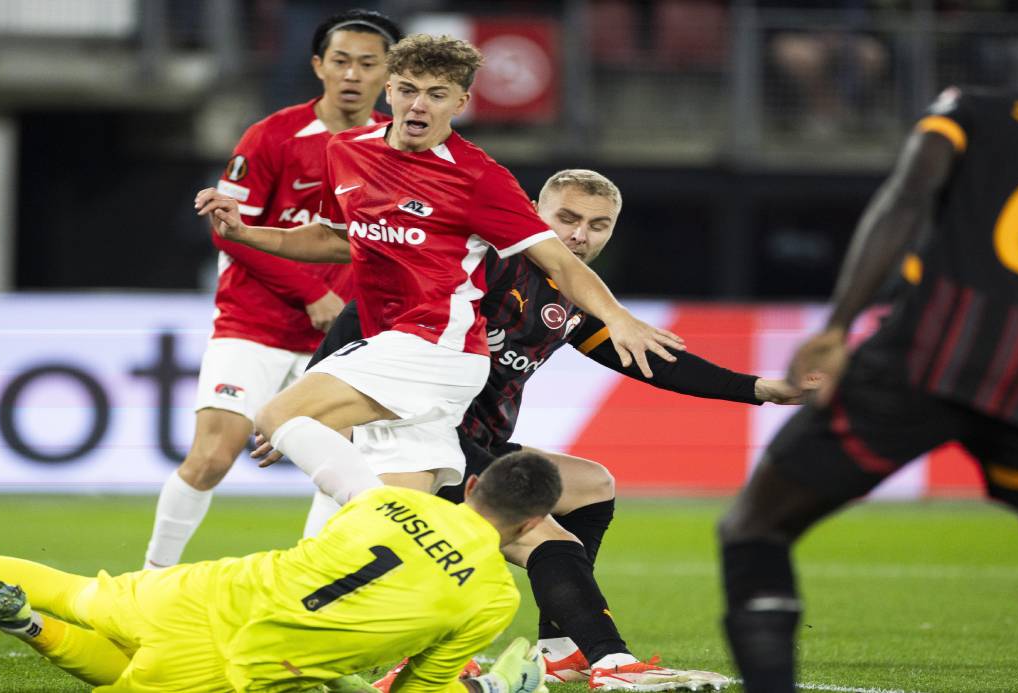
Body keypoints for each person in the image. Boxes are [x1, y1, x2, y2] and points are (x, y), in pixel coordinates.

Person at [717, 2, 1018, 690]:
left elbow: (906, 198)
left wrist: (838, 325)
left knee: (755, 527)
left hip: (926, 351)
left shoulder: (976, 107)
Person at [292, 169, 801, 691]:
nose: (581, 235)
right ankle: (611, 663)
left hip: (475, 443)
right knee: (538, 531)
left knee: (589, 485)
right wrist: (305, 404)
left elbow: (653, 362)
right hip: (421, 440)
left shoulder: (574, 296)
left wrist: (761, 389)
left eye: (598, 225)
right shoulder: (480, 262)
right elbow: (367, 309)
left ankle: (561, 651)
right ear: (534, 211)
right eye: (568, 218)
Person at [192, 36, 684, 526]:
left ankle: (382, 518)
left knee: (281, 418)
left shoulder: (478, 178)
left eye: (436, 94)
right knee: (395, 526)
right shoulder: (346, 151)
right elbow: (335, 238)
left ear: (461, 102)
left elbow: (560, 262)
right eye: (408, 89)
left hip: (435, 345)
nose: (418, 105)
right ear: (388, 91)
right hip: (401, 349)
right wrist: (246, 231)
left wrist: (616, 316)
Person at [0, 453, 563, 693]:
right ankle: (25, 625)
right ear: (530, 524)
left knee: (78, 589)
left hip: (205, 587)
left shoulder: (390, 499)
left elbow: (338, 556)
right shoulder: (493, 595)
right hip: (241, 661)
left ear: (470, 485)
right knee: (120, 676)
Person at [143, 9, 403, 570]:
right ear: (317, 65)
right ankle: (150, 581)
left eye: (367, 63)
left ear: (389, 73)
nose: (352, 74)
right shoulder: (273, 135)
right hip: (254, 323)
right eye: (340, 61)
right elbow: (230, 232)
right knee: (213, 455)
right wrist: (312, 292)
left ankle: (308, 593)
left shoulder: (396, 145)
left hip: (341, 336)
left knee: (342, 468)